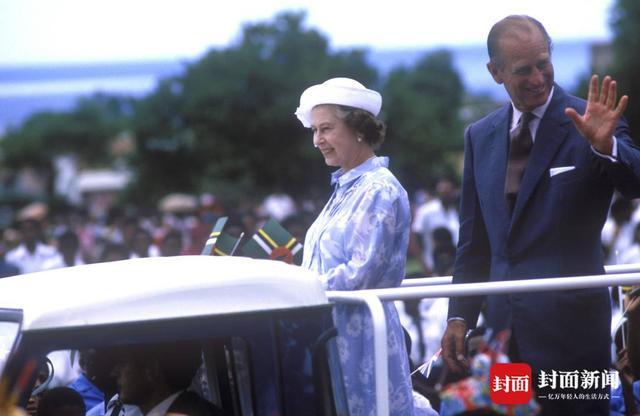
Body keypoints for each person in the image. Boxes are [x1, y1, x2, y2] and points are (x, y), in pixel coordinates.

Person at [440, 15, 640, 415]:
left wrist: (607, 149)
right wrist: (460, 316)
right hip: (504, 337)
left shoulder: (591, 120)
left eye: (543, 64)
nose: (537, 78)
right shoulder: (479, 136)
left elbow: (635, 183)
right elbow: (474, 242)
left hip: (574, 337)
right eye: (522, 70)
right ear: (495, 73)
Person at [296, 77, 424, 415]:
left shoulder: (378, 188)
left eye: (325, 129)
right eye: (314, 130)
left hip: (362, 337)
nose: (317, 140)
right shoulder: (347, 186)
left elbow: (360, 273)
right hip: (334, 334)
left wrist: (294, 288)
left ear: (358, 128)